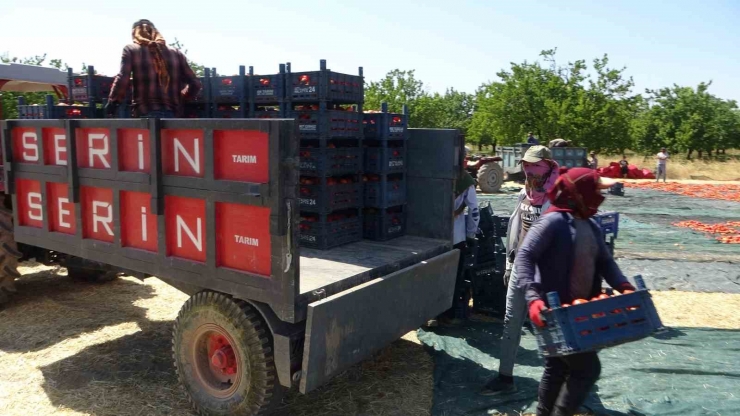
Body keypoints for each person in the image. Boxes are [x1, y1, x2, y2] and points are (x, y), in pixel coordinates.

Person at [517, 168, 636, 416]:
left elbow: (605, 262)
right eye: (594, 191)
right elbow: (525, 255)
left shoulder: (590, 225)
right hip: (556, 313)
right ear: (579, 194)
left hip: (581, 313)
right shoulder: (553, 222)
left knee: (557, 366)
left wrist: (623, 286)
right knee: (587, 369)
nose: (599, 196)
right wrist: (533, 299)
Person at [480, 145, 559, 396]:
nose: (529, 171)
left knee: (549, 328)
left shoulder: (558, 199)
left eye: (535, 166)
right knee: (510, 322)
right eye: (526, 166)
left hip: (544, 274)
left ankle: (557, 384)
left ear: (548, 166)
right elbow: (515, 232)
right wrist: (508, 264)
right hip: (519, 269)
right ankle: (505, 378)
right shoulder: (524, 194)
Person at [107, 19, 202, 118]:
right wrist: (183, 98)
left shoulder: (131, 49)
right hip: (173, 114)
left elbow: (123, 79)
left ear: (135, 33)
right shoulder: (176, 53)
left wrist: (113, 102)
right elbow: (195, 83)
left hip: (146, 113)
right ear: (155, 32)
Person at [428, 146, 480, 326]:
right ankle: (447, 316)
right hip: (456, 238)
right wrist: (471, 233)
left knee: (433, 276)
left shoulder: (432, 174)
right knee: (453, 278)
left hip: (432, 236)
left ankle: (429, 314)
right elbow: (474, 210)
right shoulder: (465, 180)